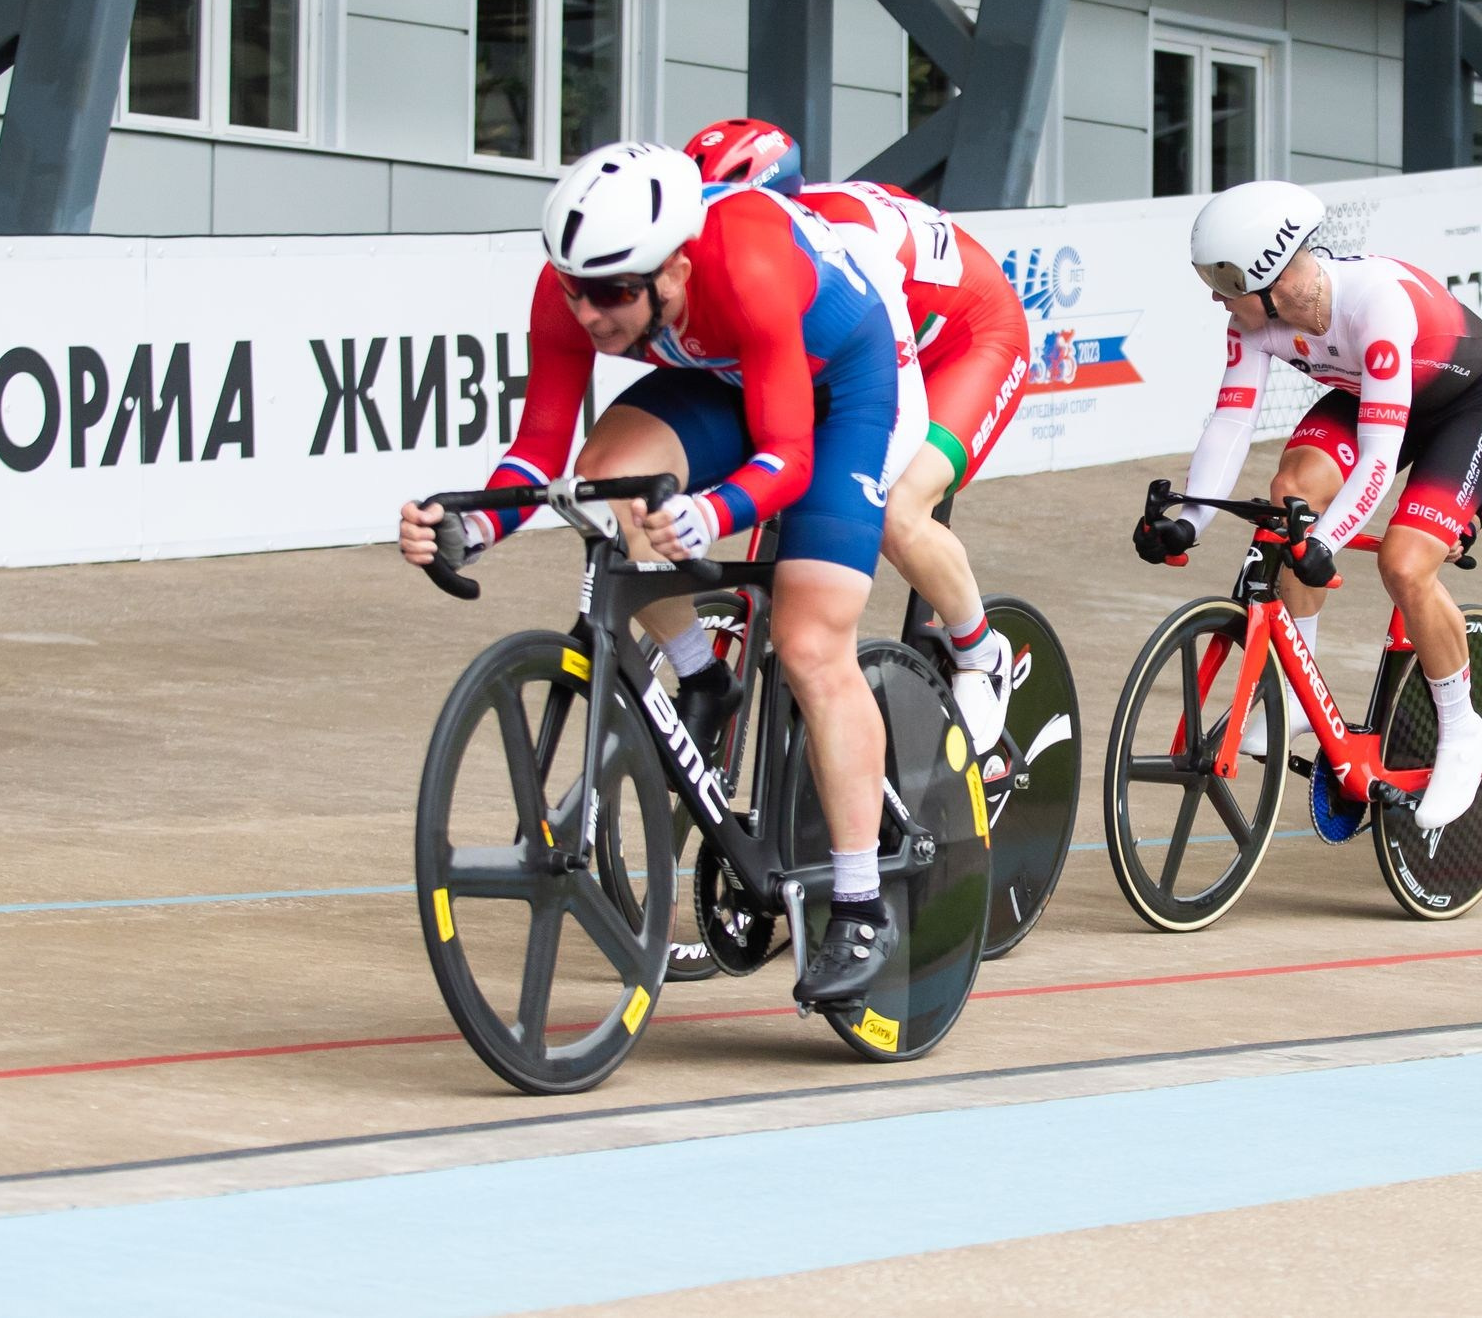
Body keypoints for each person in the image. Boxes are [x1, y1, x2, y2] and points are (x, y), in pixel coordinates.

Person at [398, 141, 914, 1007]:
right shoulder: (576, 287)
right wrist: (473, 526)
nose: (587, 312)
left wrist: (712, 512)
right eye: (574, 290)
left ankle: (861, 904)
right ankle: (702, 674)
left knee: (809, 642)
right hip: (723, 377)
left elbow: (788, 457)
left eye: (610, 294)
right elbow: (540, 450)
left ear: (675, 269)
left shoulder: (746, 262)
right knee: (607, 484)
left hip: (841, 391)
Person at [1130, 180, 1482, 831]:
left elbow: (1377, 457)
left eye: (1223, 281)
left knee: (1405, 564)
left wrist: (1326, 543)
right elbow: (1231, 423)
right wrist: (1189, 521)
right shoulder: (1253, 323)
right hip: (1371, 396)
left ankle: (1462, 728)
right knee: (1293, 497)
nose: (1215, 296)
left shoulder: (1375, 306)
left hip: (1465, 405)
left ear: (1270, 277)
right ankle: (1298, 688)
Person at [684, 118, 1032, 759]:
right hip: (895, 331)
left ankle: (981, 652)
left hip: (971, 338)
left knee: (898, 510)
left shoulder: (847, 243)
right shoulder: (752, 252)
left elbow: (896, 406)